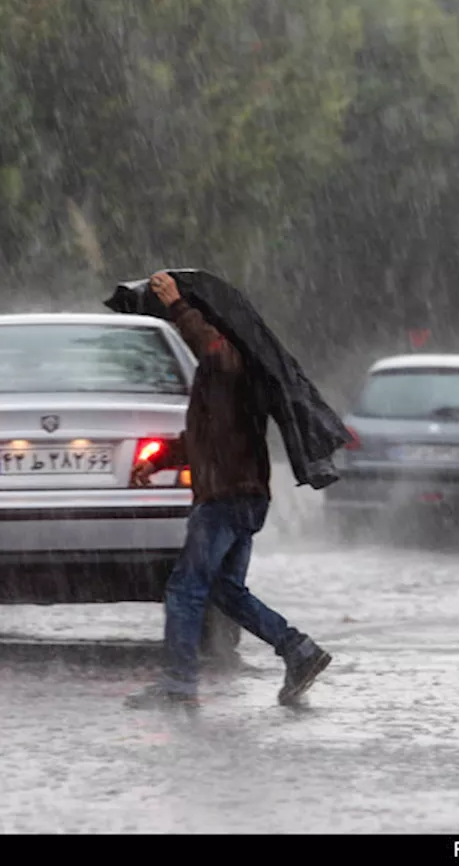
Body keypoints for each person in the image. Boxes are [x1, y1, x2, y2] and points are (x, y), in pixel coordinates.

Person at [124, 271, 332, 710]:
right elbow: (205, 436)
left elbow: (214, 352)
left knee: (185, 588)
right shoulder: (228, 373)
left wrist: (179, 306)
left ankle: (179, 687)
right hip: (243, 494)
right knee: (225, 590)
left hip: (226, 496)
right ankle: (298, 650)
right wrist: (158, 460)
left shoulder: (229, 358)